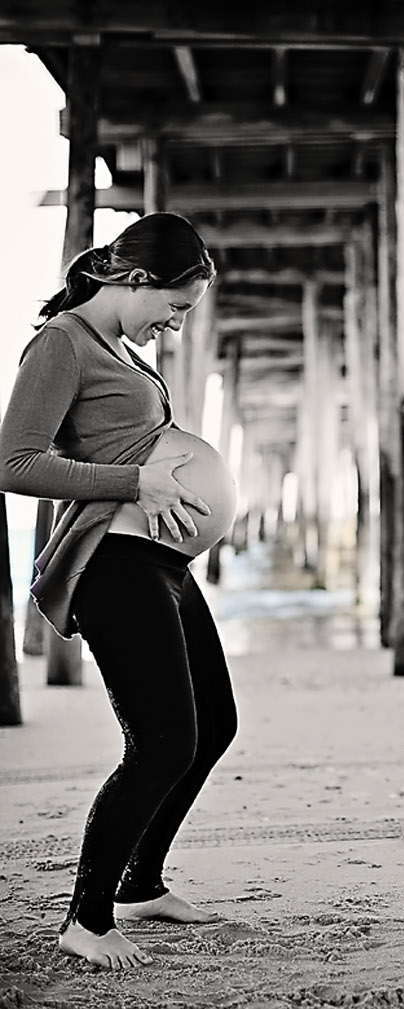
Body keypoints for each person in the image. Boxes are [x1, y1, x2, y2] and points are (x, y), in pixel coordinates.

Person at [0, 212, 231, 970]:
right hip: (112, 564)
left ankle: (142, 882)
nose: (178, 320)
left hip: (160, 562)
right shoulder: (62, 342)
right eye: (177, 303)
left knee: (213, 725)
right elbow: (15, 462)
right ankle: (86, 918)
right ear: (134, 278)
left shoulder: (119, 348)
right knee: (162, 743)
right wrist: (137, 478)